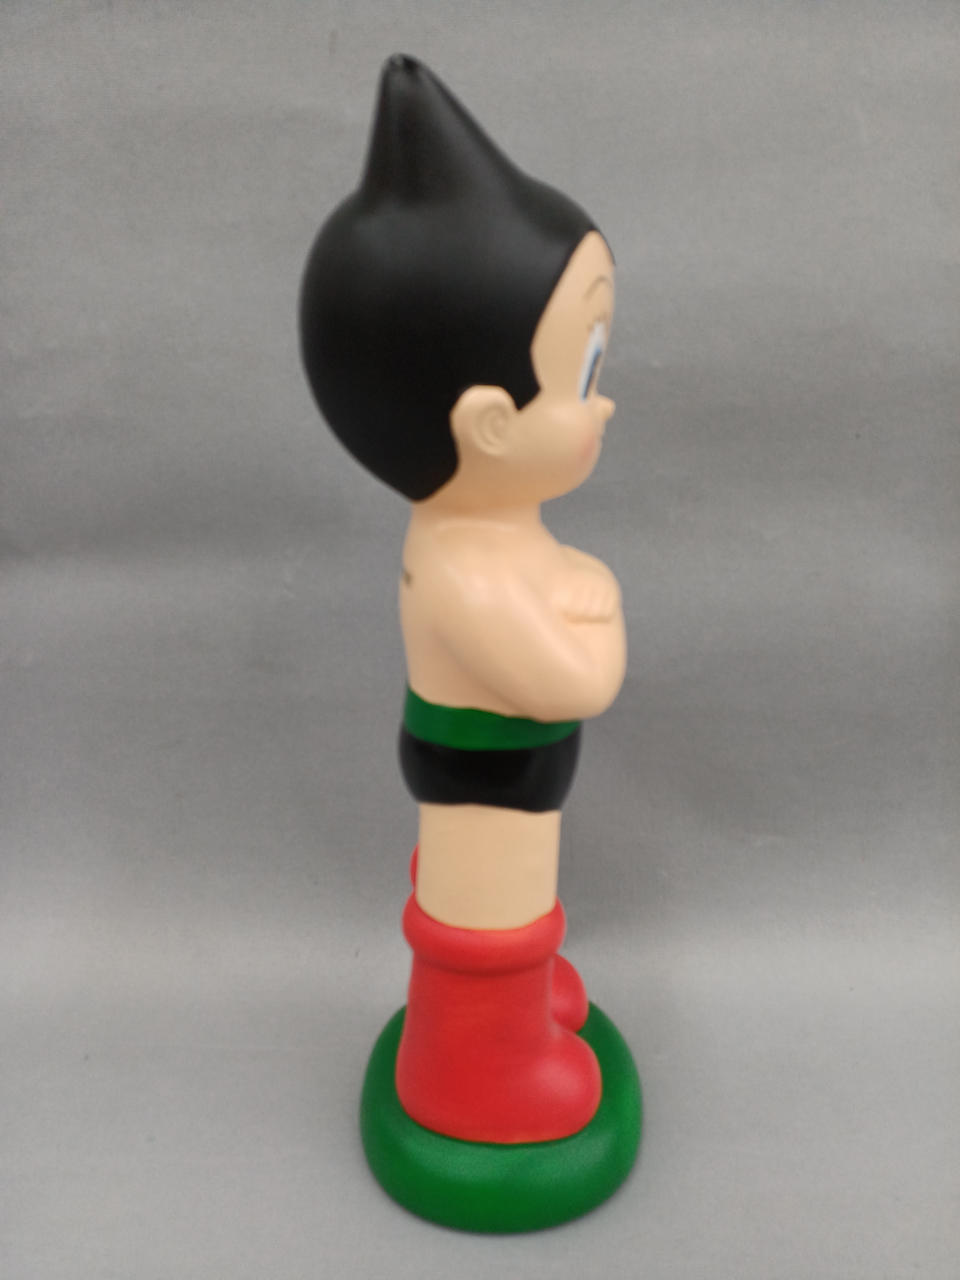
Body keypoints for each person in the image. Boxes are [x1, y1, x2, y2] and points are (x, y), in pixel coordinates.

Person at [300, 54, 626, 1145]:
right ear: (489, 424)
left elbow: (558, 588)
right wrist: (597, 611)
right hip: (484, 800)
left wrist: (575, 589)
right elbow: (580, 676)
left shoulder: (481, 538)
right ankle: (476, 1073)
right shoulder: (467, 572)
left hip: (508, 786)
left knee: (516, 919)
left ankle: (517, 1014)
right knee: (487, 923)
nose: (604, 404)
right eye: (582, 376)